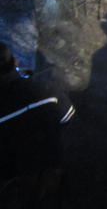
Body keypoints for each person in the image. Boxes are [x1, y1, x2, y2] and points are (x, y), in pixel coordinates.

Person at [0, 42, 75, 208]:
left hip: (10, 189)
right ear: (15, 62)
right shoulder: (49, 92)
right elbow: (69, 122)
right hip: (51, 183)